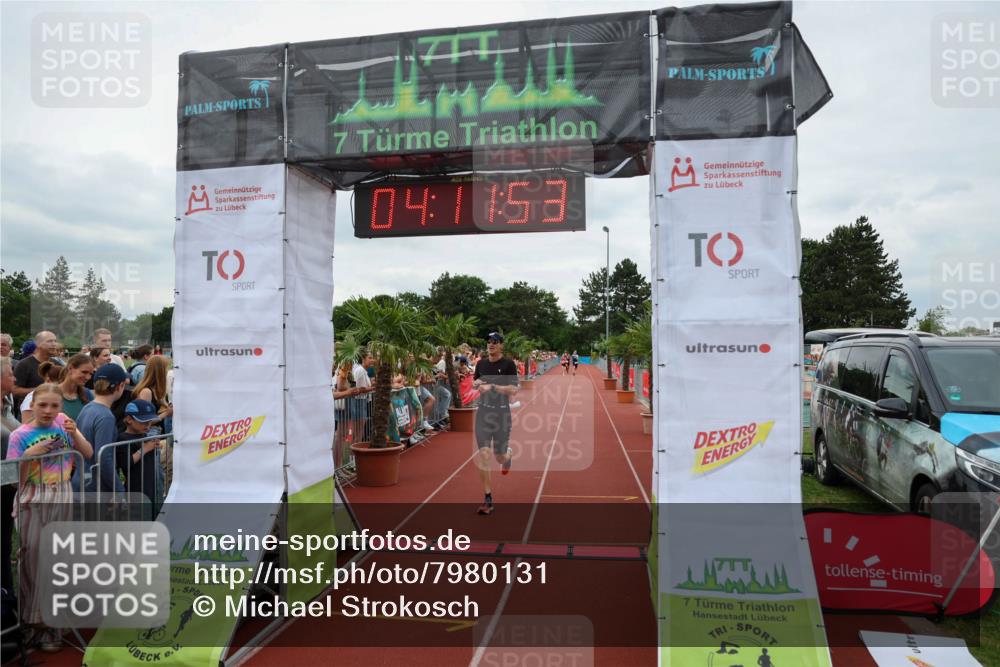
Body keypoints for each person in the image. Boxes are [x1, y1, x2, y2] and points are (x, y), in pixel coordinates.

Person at [6, 382, 93, 652]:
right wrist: (28, 457)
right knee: (32, 561)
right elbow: (13, 482)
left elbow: (88, 453)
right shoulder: (19, 435)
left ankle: (54, 627)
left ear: (60, 407)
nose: (48, 411)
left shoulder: (64, 424)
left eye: (54, 406)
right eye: (42, 405)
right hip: (33, 498)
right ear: (32, 406)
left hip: (62, 494)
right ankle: (32, 625)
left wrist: (74, 432)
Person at [472, 332, 519, 515]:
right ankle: (487, 498)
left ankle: (507, 456)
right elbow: (475, 380)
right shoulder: (481, 363)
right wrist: (477, 384)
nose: (490, 344)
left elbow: (514, 389)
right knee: (484, 454)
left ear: (501, 345)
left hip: (501, 414)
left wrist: (492, 386)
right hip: (483, 412)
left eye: (495, 342)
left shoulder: (508, 364)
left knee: (499, 457)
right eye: (489, 341)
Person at [74, 363, 128, 495]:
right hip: (95, 487)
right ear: (120, 386)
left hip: (80, 479)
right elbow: (103, 457)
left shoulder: (87, 407)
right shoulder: (106, 416)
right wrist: (118, 489)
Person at [116, 400, 164, 510]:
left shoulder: (145, 435)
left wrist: (155, 446)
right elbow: (125, 464)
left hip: (150, 487)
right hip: (135, 490)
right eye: (143, 422)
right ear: (129, 419)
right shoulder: (123, 438)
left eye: (150, 421)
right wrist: (145, 449)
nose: (148, 425)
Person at [1, 357, 21, 595]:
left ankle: (7, 599)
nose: (15, 378)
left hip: (9, 487)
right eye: (10, 374)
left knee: (4, 546)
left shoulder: (7, 405)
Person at [12, 331, 58, 412]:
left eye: (55, 341)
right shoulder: (24, 364)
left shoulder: (57, 364)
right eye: (50, 341)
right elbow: (14, 391)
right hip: (29, 412)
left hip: (53, 412)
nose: (54, 344)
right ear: (38, 344)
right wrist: (42, 389)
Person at [133, 356, 172, 434]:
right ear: (160, 371)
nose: (167, 371)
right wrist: (166, 414)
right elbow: (143, 422)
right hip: (148, 435)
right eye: (166, 368)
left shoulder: (155, 389)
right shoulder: (146, 391)